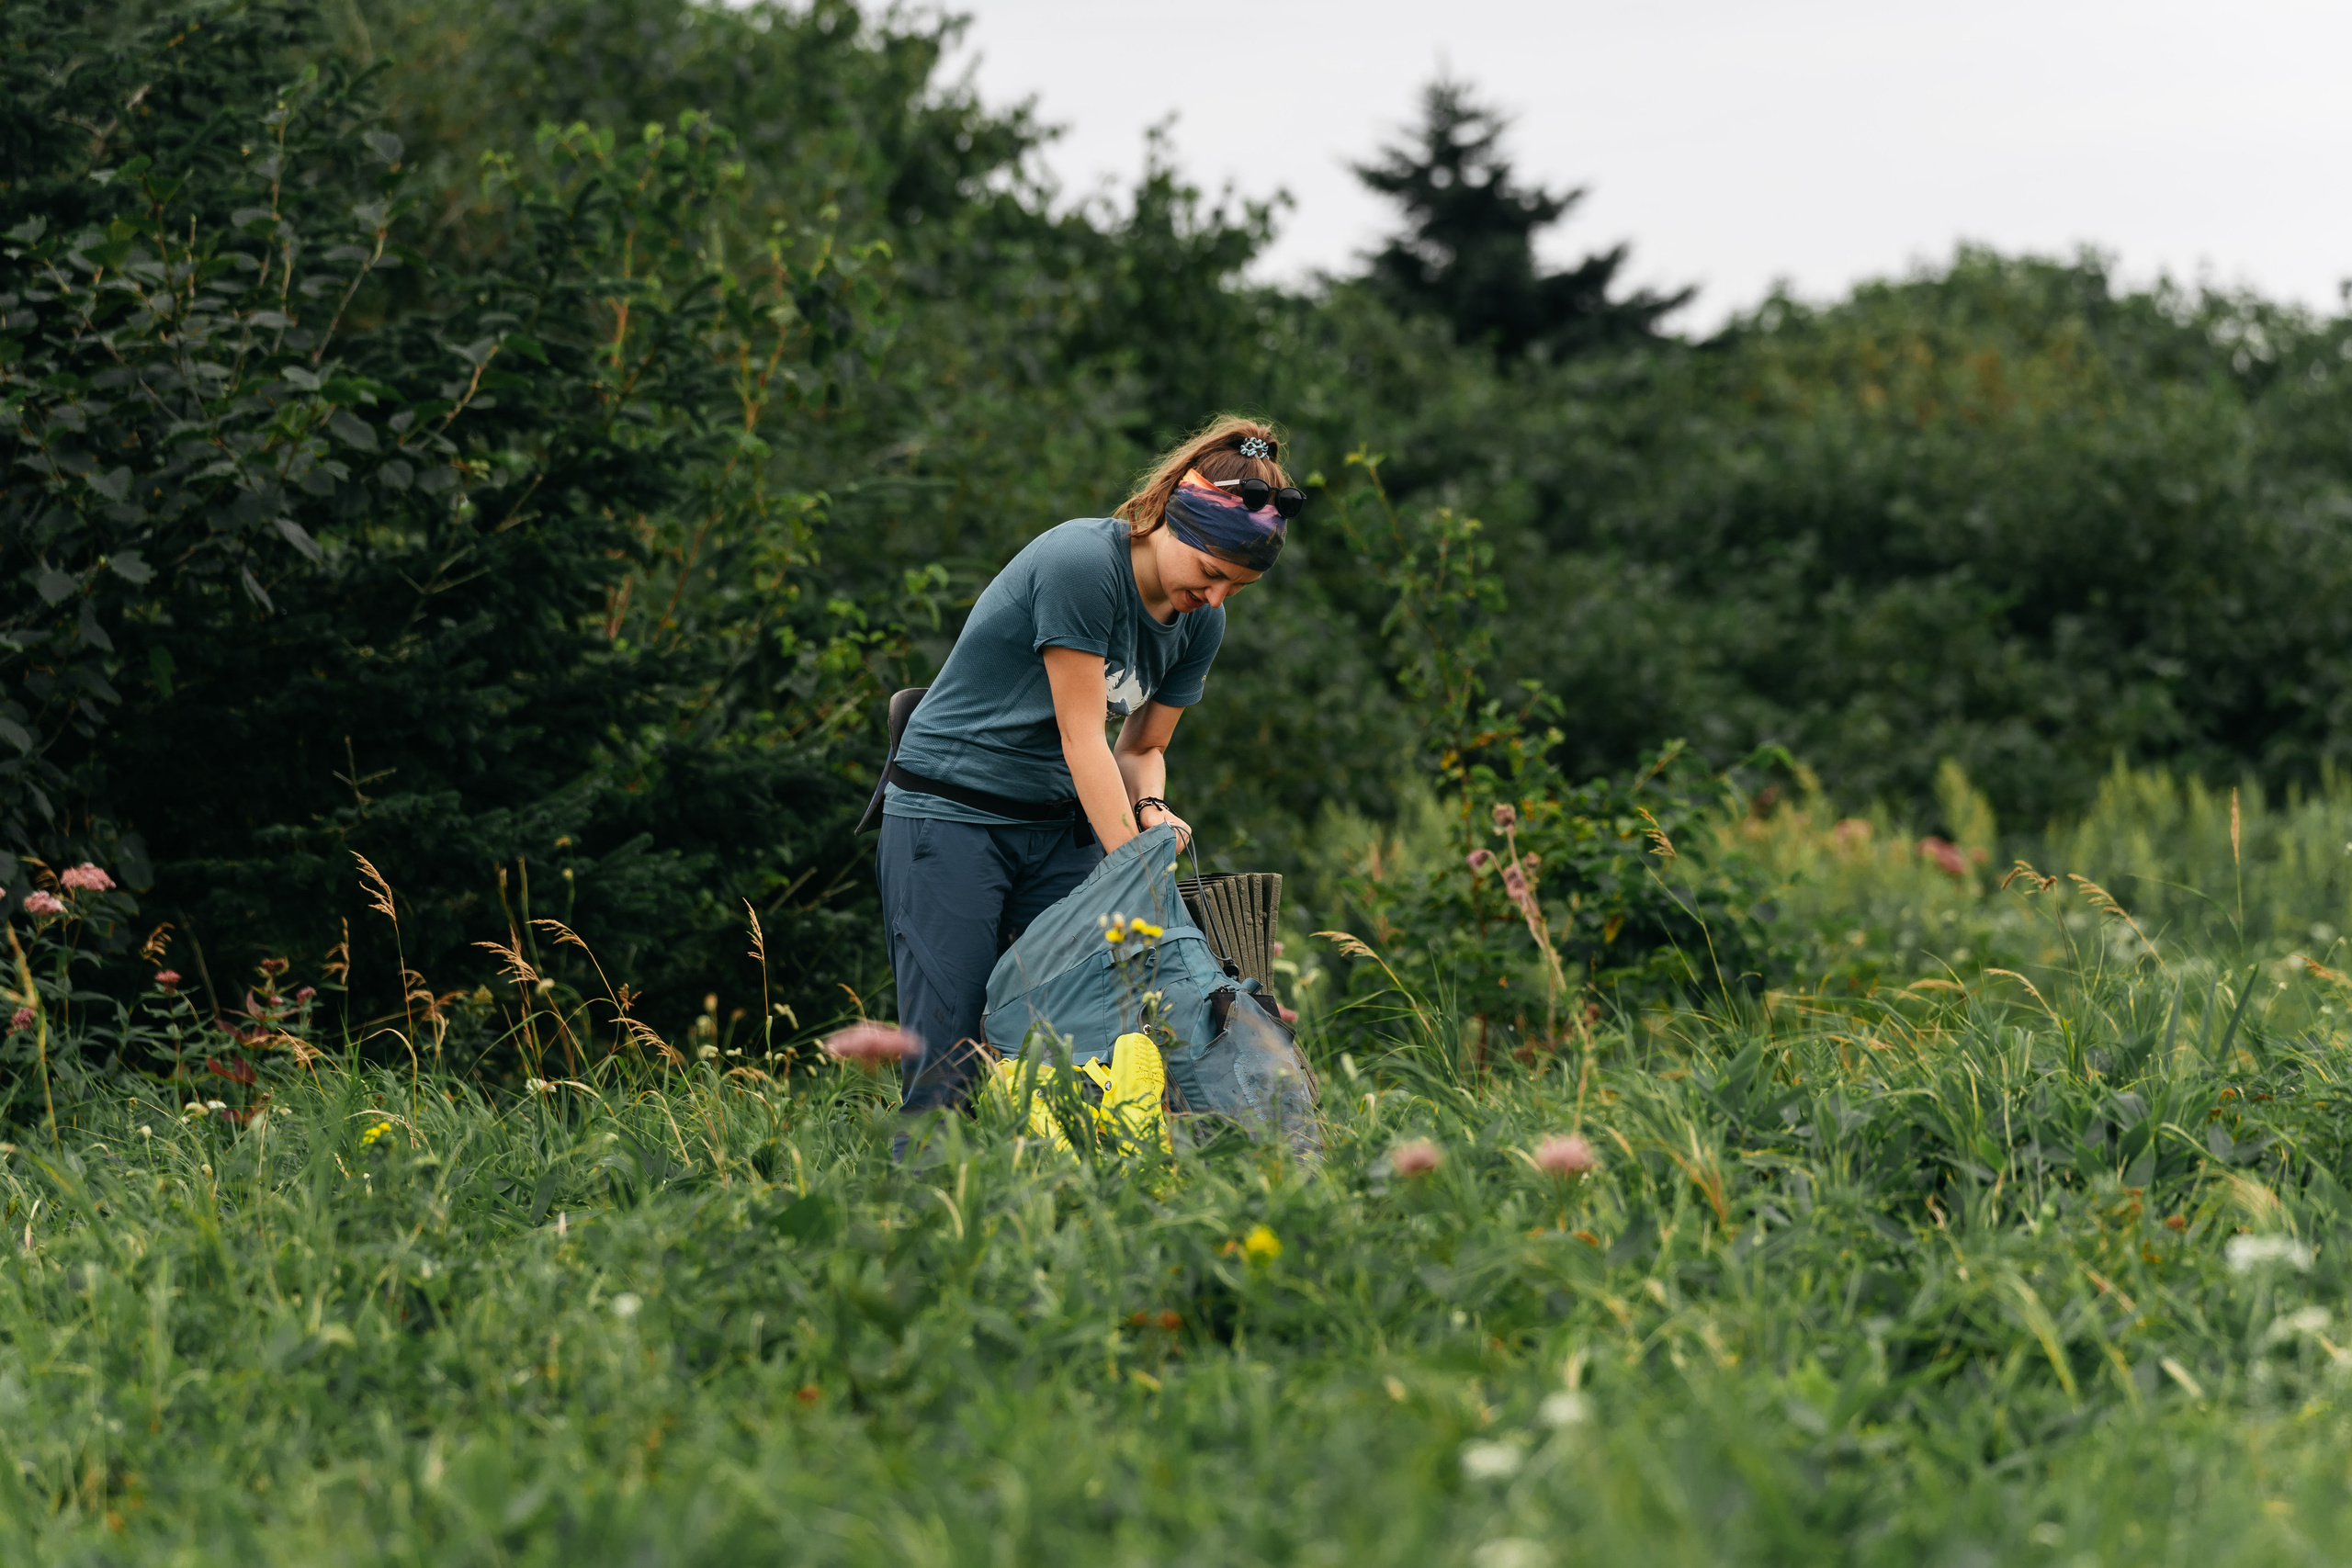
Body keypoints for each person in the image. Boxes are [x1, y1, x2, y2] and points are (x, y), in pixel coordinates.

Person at [876, 414, 1304, 1116]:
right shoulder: (1082, 565)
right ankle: (922, 1204)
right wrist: (1140, 883)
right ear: (1173, 521)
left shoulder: (1202, 622)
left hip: (1054, 826)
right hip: (949, 816)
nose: (1218, 597)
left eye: (1238, 587)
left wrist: (1151, 809)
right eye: (1210, 573)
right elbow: (1084, 738)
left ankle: (1064, 1206)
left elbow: (1141, 748)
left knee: (1089, 1042)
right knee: (949, 1056)